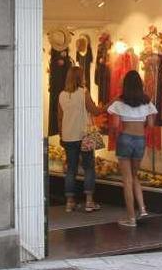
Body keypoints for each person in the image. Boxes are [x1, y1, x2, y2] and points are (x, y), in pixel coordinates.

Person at [107, 70, 158, 227]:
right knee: (135, 177)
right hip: (140, 140)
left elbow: (115, 125)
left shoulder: (119, 102)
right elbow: (150, 125)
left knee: (127, 180)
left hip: (125, 139)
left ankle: (131, 219)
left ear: (125, 85)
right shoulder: (147, 102)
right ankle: (142, 209)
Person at [58, 66, 101, 213]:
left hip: (68, 136)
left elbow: (59, 118)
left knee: (71, 169)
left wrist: (61, 136)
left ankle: (70, 203)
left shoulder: (61, 95)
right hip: (84, 136)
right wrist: (108, 104)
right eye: (82, 76)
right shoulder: (84, 93)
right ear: (79, 78)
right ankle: (89, 202)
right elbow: (95, 111)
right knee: (89, 168)